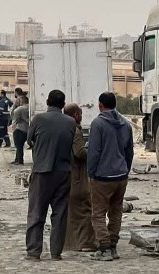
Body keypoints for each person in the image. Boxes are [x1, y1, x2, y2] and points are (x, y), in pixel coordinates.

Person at [25, 90, 75, 261]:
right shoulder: (70, 122)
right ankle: (56, 252)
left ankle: (34, 251)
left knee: (36, 212)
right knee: (60, 214)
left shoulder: (38, 119)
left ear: (47, 102)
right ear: (63, 105)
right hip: (63, 172)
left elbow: (29, 140)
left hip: (42, 171)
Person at [87, 92, 134, 261]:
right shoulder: (125, 124)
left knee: (98, 213)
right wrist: (125, 170)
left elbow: (94, 152)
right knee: (116, 212)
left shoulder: (98, 124)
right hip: (121, 175)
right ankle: (113, 246)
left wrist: (91, 173)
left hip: (102, 176)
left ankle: (104, 247)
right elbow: (130, 151)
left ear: (100, 105)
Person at [63, 103, 96, 252]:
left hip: (67, 174)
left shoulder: (63, 128)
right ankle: (86, 243)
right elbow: (80, 152)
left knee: (73, 211)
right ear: (76, 115)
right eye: (80, 113)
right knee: (84, 209)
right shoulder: (75, 131)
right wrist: (94, 151)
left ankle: (71, 243)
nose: (82, 116)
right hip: (78, 176)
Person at [10, 96, 29, 165]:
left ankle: (19, 160)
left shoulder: (19, 109)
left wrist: (14, 129)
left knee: (19, 146)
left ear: (22, 101)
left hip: (20, 129)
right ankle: (17, 159)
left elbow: (14, 119)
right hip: (29, 129)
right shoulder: (30, 108)